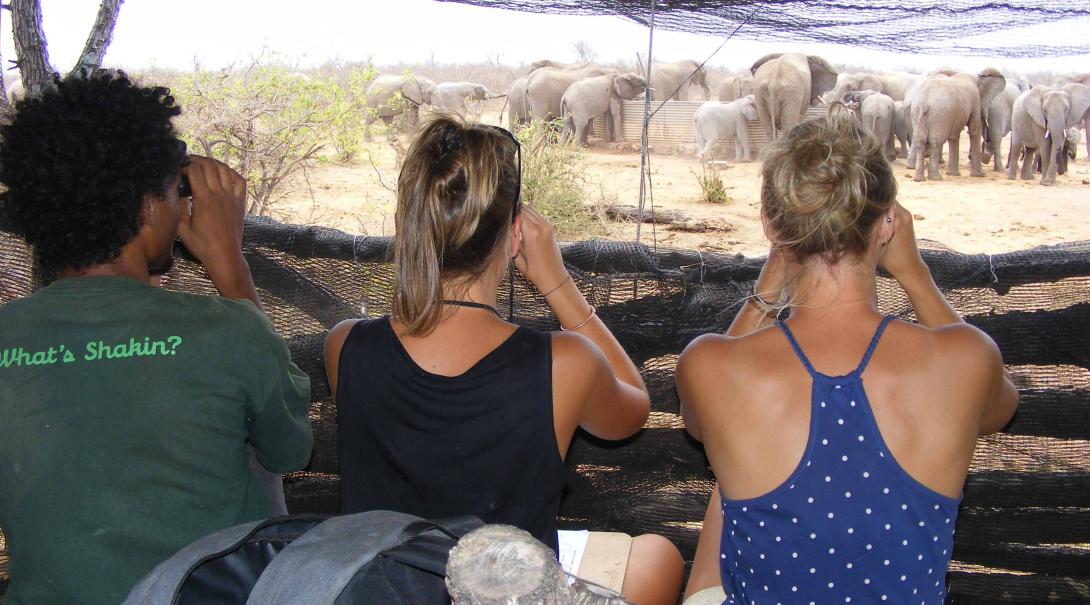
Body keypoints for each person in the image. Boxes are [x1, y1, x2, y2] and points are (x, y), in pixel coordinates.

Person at [324, 113, 683, 604]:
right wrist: (557, 283)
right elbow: (634, 409)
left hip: (380, 591)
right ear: (515, 236)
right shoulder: (565, 363)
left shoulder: (345, 346)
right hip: (509, 596)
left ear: (412, 228)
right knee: (657, 556)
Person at [677, 113, 1018, 605]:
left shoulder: (710, 365)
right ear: (888, 224)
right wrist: (915, 272)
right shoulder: (967, 357)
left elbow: (701, 424)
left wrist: (769, 283)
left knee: (726, 497)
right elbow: (998, 411)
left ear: (772, 224)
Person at [0, 71, 313, 604]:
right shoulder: (226, 330)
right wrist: (228, 261)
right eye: (173, 193)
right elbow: (289, 448)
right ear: (148, 207)